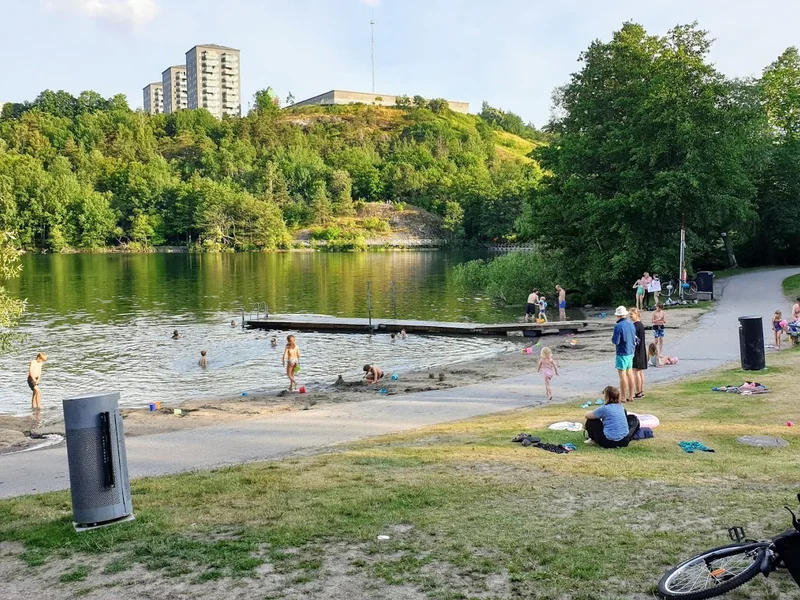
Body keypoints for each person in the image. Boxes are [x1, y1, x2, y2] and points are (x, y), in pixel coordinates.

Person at [611, 306, 636, 403]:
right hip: (631, 351)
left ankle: (623, 397)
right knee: (630, 374)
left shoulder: (618, 326)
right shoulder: (631, 324)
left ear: (618, 316)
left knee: (622, 376)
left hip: (622, 352)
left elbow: (615, 341)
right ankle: (631, 395)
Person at [629, 308, 647, 399]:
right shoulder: (641, 325)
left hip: (637, 351)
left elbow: (635, 340)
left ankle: (638, 392)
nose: (630, 316)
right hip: (642, 350)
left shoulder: (635, 326)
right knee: (640, 372)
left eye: (631, 314)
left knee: (636, 371)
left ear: (636, 314)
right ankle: (641, 390)